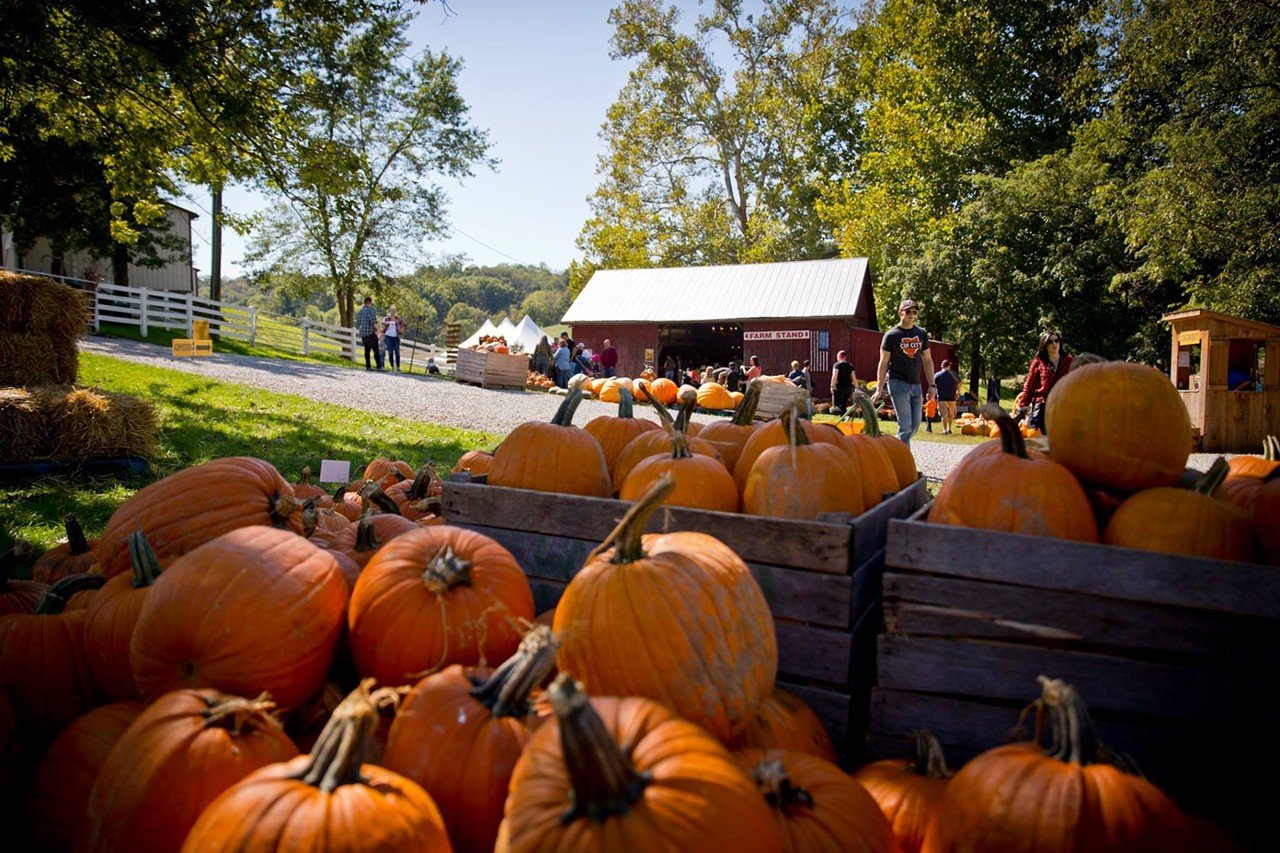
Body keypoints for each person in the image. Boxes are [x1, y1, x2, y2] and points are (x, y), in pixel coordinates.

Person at [872, 299, 936, 448]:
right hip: (898, 383)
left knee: (915, 425)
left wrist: (932, 385)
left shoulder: (921, 334)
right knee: (906, 426)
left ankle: (894, 449)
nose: (911, 315)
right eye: (908, 311)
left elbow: (927, 360)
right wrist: (879, 388)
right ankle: (902, 462)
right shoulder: (891, 335)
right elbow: (883, 363)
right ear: (900, 313)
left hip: (916, 385)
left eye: (914, 312)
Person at [1019, 331, 1073, 431]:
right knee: (1039, 437)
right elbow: (1029, 386)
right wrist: (1023, 406)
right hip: (1043, 404)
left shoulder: (1068, 361)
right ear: (1044, 345)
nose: (1054, 344)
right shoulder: (1038, 362)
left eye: (1056, 341)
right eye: (1050, 341)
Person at [933, 359, 960, 434]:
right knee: (951, 414)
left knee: (944, 414)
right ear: (949, 366)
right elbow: (959, 384)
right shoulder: (954, 374)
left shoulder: (937, 375)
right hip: (952, 397)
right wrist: (958, 392)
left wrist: (935, 395)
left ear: (942, 366)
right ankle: (949, 429)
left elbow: (934, 386)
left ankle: (944, 430)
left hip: (941, 398)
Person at [355, 296, 379, 371]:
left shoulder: (360, 311)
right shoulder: (370, 310)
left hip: (363, 334)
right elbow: (374, 322)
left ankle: (368, 366)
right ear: (370, 302)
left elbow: (358, 322)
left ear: (364, 302)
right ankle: (379, 366)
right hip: (370, 334)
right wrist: (378, 331)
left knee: (367, 350)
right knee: (376, 350)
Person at [382, 306, 406, 372]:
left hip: (396, 337)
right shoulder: (387, 318)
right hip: (388, 337)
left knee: (397, 352)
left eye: (394, 311)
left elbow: (405, 324)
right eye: (391, 311)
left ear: (396, 312)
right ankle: (392, 366)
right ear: (389, 312)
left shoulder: (398, 319)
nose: (392, 313)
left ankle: (398, 367)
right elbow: (383, 322)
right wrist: (389, 323)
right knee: (390, 352)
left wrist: (401, 330)